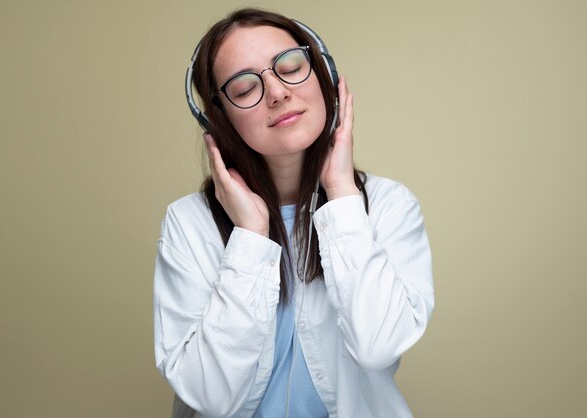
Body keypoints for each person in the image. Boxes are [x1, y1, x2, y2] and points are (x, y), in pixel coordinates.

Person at [153, 8, 434, 418]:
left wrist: (340, 195)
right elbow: (207, 395)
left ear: (323, 77)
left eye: (290, 66)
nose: (278, 92)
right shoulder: (187, 223)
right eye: (245, 87)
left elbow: (378, 347)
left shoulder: (390, 205)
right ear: (219, 118)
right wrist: (250, 234)